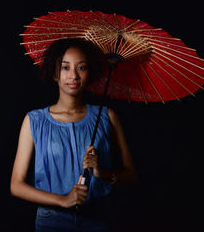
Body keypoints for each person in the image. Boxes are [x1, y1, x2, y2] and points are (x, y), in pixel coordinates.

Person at [10, 38, 137, 231]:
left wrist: (101, 173)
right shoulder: (34, 121)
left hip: (99, 218)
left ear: (90, 73)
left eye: (82, 68)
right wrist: (63, 200)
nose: (74, 76)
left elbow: (131, 176)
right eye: (65, 67)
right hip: (52, 220)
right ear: (54, 73)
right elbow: (16, 185)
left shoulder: (107, 116)